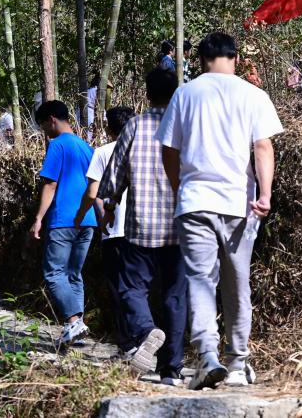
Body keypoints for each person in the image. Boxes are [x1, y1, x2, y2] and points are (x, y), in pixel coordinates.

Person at [157, 32, 283, 391]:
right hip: (239, 203)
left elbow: (169, 151)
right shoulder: (253, 95)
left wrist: (180, 189)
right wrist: (265, 194)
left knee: (200, 279)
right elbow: (263, 146)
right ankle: (238, 363)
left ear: (200, 60)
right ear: (236, 58)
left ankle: (208, 355)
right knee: (237, 282)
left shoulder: (185, 94)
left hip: (195, 201)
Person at [94, 69, 187, 385]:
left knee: (132, 287)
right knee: (175, 296)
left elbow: (115, 172)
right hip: (179, 225)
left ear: (147, 94)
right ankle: (171, 370)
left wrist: (109, 205)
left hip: (141, 226)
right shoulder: (185, 126)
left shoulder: (135, 126)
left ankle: (147, 331)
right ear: (176, 93)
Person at [32, 100, 97, 346]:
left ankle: (73, 321)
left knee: (54, 273)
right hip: (87, 220)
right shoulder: (86, 147)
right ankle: (75, 330)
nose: (44, 131)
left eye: (43, 125)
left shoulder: (57, 145)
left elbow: (50, 184)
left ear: (52, 120)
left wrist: (38, 218)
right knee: (73, 274)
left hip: (63, 219)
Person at [74, 105, 135, 353]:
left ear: (109, 128)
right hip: (147, 230)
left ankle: (128, 346)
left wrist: (82, 216)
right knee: (140, 287)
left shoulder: (103, 152)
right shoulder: (148, 147)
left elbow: (93, 193)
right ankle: (145, 337)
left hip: (115, 229)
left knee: (119, 289)